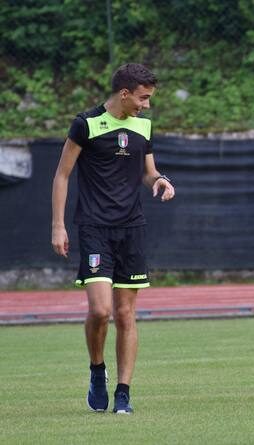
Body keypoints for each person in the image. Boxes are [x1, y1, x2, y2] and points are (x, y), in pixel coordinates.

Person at [51, 63, 175, 413]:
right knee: (100, 310)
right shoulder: (86, 124)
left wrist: (159, 181)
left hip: (131, 229)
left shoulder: (143, 126)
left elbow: (148, 173)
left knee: (124, 313)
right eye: (143, 98)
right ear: (124, 93)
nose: (146, 105)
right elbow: (62, 175)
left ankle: (123, 392)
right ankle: (97, 370)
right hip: (94, 228)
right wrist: (58, 225)